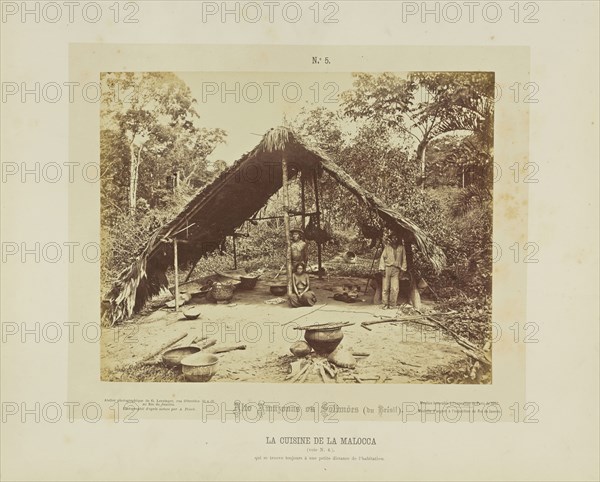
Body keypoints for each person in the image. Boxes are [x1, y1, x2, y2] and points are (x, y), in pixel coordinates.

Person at [378, 233, 407, 309]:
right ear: (391, 239)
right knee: (385, 287)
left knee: (394, 288)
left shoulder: (401, 248)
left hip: (396, 270)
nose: (394, 239)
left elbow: (404, 259)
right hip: (387, 268)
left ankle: (392, 304)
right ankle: (385, 304)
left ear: (398, 239)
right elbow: (382, 258)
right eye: (393, 238)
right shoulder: (387, 247)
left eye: (396, 238)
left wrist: (403, 270)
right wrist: (382, 269)